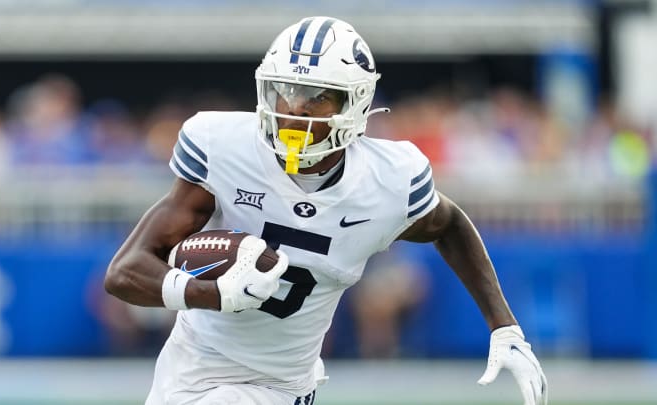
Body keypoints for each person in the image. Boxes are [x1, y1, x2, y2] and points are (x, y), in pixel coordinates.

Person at [105, 16, 548, 405]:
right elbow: (124, 273)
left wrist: (503, 325)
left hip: (281, 383)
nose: (295, 111)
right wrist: (212, 293)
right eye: (285, 92)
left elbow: (447, 224)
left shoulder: (389, 179)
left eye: (316, 97)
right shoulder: (223, 148)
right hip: (189, 365)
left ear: (354, 104)